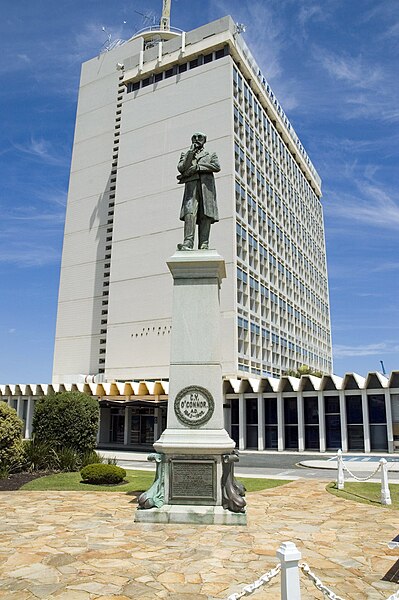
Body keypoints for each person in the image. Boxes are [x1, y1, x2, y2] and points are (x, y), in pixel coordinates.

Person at [177, 132, 220, 250]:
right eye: (194, 137)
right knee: (189, 213)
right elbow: (181, 168)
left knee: (206, 214)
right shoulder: (185, 155)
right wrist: (190, 153)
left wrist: (199, 167)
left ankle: (204, 244)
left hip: (206, 188)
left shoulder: (210, 154)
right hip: (191, 187)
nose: (196, 139)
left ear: (204, 140)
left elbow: (216, 166)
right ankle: (188, 243)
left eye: (199, 137)